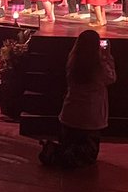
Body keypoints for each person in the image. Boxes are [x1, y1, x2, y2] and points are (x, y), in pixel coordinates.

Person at [39, 29, 115, 169]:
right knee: (87, 157)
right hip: (91, 119)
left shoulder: (72, 62)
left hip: (69, 115)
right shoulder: (100, 67)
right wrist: (107, 56)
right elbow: (111, 78)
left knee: (68, 147)